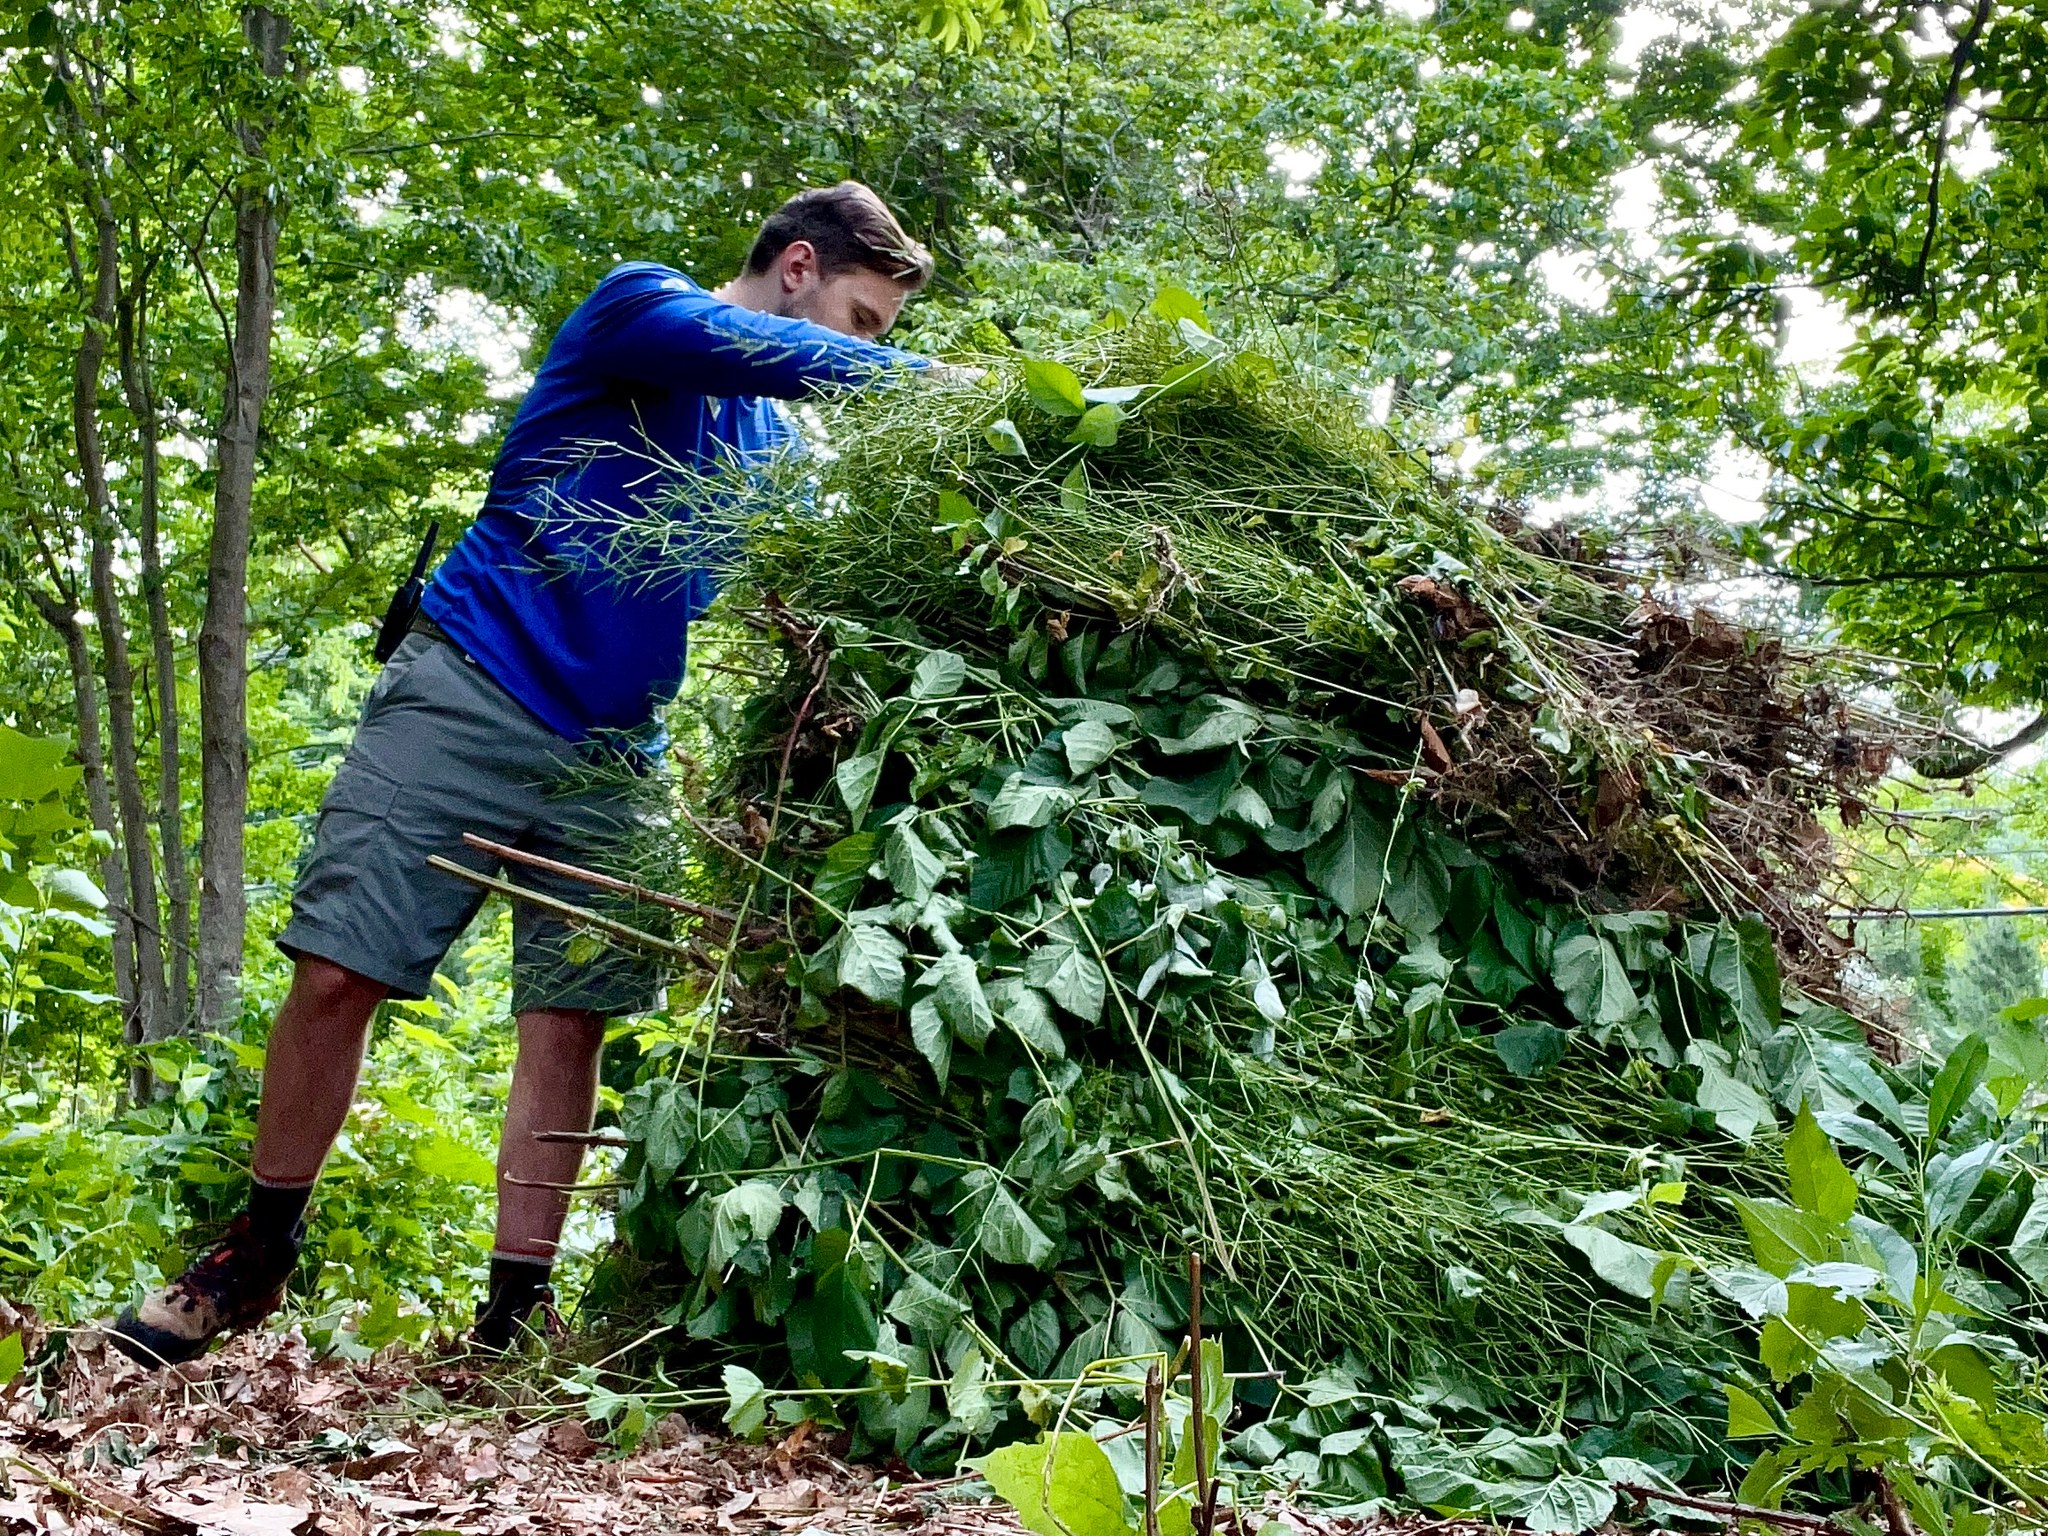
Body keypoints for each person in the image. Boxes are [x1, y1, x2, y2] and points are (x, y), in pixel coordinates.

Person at [110, 182, 934, 1366]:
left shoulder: (767, 450)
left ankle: (509, 1318)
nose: (862, 352)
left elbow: (795, 584)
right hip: (469, 690)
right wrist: (948, 396)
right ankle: (257, 1250)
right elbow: (750, 351)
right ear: (796, 268)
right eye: (859, 320)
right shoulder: (639, 310)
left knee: (572, 1024)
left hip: (616, 760)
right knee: (341, 970)